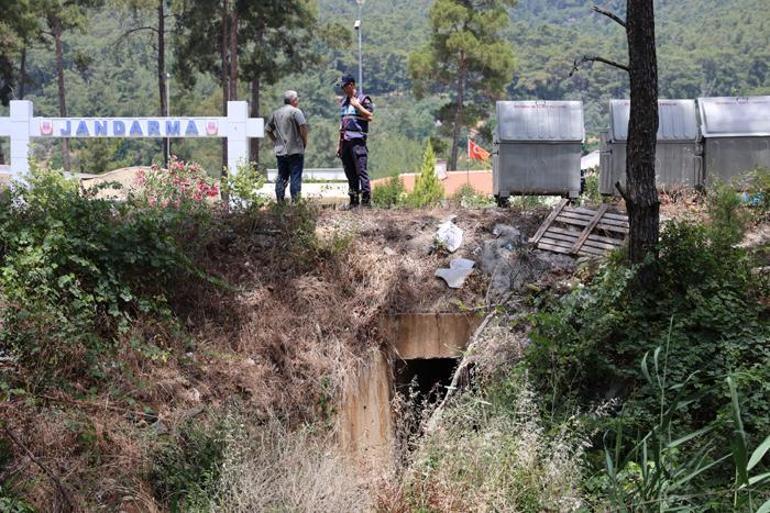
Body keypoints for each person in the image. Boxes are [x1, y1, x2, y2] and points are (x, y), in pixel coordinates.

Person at [337, 74, 374, 208]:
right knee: (350, 173)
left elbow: (370, 116)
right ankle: (353, 202)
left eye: (344, 86)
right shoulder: (343, 102)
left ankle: (366, 203)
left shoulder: (363, 99)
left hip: (357, 142)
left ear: (352, 85)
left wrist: (358, 106)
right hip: (345, 142)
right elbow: (342, 124)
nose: (343, 89)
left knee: (361, 172)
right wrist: (339, 145)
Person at [265, 90, 308, 203]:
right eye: (297, 99)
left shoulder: (276, 113)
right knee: (295, 177)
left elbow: (268, 130)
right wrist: (304, 142)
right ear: (293, 100)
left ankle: (280, 201)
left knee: (282, 177)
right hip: (295, 150)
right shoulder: (296, 112)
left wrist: (276, 141)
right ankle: (295, 202)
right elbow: (303, 127)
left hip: (281, 151)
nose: (298, 101)